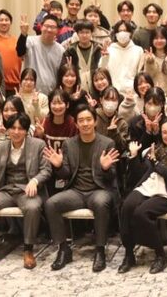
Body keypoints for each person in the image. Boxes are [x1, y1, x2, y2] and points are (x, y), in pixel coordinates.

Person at [0, 113, 51, 271]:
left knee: (32, 207)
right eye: (13, 128)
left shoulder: (38, 145)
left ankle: (28, 250)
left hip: (28, 190)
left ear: (26, 130)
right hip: (6, 190)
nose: (16, 132)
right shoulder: (1, 147)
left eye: (21, 128)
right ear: (7, 130)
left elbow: (46, 170)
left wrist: (35, 181)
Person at [42, 105, 120, 272]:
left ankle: (100, 250)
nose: (85, 124)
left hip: (99, 190)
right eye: (81, 121)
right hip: (76, 191)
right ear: (76, 124)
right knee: (51, 204)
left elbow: (112, 177)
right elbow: (66, 174)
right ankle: (63, 249)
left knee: (101, 203)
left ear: (95, 122)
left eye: (88, 120)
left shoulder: (107, 143)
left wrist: (105, 168)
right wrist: (58, 166)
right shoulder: (69, 144)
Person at [119, 118, 167, 274]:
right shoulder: (156, 150)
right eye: (164, 132)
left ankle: (160, 255)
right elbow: (139, 174)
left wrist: (156, 163)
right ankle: (129, 254)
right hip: (147, 187)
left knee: (141, 213)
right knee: (126, 206)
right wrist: (134, 156)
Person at [18, 14, 66, 95]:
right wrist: (23, 34)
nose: (49, 29)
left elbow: (61, 74)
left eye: (53, 27)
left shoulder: (60, 50)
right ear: (41, 27)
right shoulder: (30, 41)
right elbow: (20, 52)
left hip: (50, 94)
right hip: (29, 92)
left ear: (57, 30)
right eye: (46, 26)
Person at [102, 19, 144, 95]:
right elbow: (102, 71)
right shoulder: (109, 50)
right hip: (113, 93)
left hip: (133, 92)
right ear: (115, 34)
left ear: (130, 33)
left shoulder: (138, 50)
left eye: (125, 31)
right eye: (120, 31)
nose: (122, 33)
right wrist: (105, 58)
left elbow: (140, 74)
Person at [61, 20, 104, 92]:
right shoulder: (70, 51)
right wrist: (68, 68)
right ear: (77, 34)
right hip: (77, 91)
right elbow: (63, 73)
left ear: (91, 33)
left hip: (97, 89)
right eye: (81, 32)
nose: (84, 35)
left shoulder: (99, 49)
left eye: (87, 32)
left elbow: (104, 70)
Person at [142, 26, 167, 102]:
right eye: (156, 38)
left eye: (162, 38)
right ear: (152, 40)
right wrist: (150, 63)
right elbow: (147, 80)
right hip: (153, 96)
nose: (159, 40)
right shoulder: (146, 56)